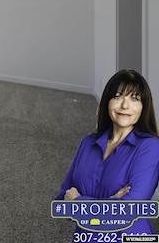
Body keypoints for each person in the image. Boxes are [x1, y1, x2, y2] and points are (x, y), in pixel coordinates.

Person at [56, 69, 159, 239]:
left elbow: (128, 212)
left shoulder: (151, 147)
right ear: (107, 102)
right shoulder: (88, 143)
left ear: (143, 107)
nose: (125, 106)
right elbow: (61, 202)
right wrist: (112, 202)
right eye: (118, 96)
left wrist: (79, 201)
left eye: (134, 98)